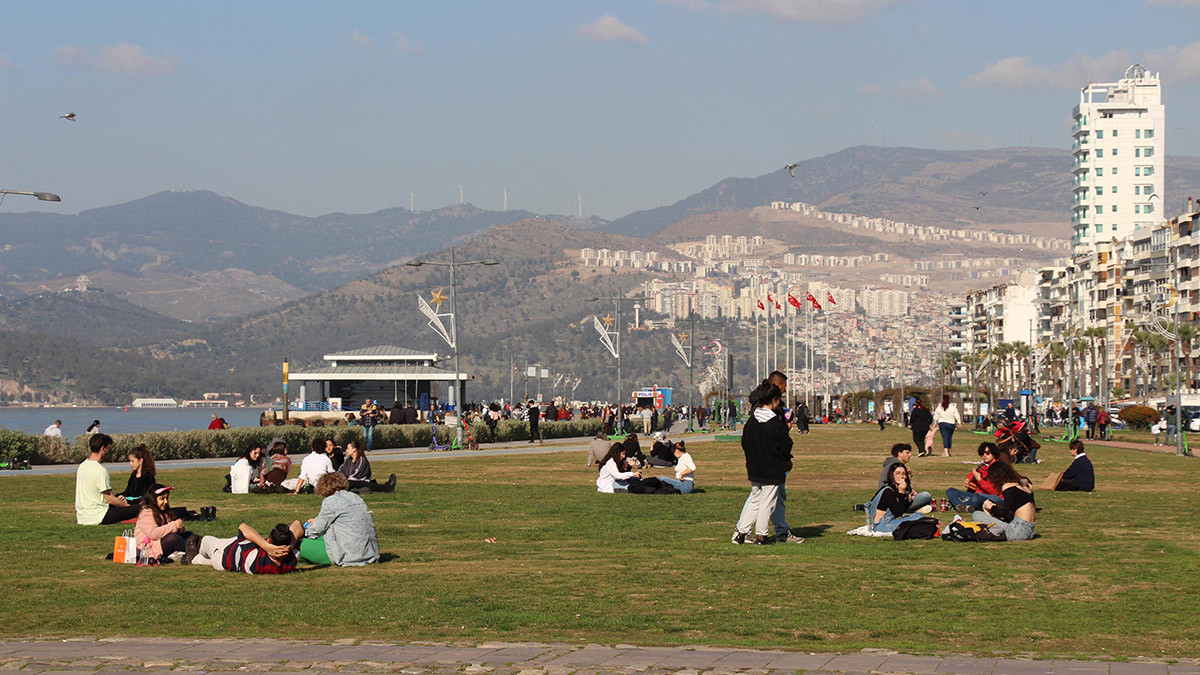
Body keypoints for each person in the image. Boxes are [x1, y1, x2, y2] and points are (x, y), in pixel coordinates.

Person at [733, 381, 794, 546]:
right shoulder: (774, 423)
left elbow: (745, 443)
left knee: (755, 499)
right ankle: (762, 535)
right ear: (774, 399)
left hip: (754, 466)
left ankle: (741, 532)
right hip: (772, 468)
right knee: (768, 502)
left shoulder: (752, 421)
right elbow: (785, 445)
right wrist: (786, 459)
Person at [298, 472, 381, 566]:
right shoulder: (355, 497)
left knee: (297, 543)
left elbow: (317, 530)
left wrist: (301, 533)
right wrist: (317, 520)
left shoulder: (330, 501)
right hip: (369, 553)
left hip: (347, 556)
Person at [185, 521, 303, 574]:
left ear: (269, 540)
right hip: (232, 556)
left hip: (223, 554)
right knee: (202, 561)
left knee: (206, 540)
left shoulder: (255, 560)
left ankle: (193, 555)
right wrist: (290, 546)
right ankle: (193, 559)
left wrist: (266, 546)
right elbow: (298, 524)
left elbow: (243, 528)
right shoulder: (291, 559)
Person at [76, 433, 140, 525]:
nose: (109, 452)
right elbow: (109, 499)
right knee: (140, 508)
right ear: (103, 448)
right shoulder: (100, 470)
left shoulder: (82, 466)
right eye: (108, 448)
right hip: (98, 515)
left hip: (83, 516)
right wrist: (127, 506)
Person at [971, 459, 1036, 541]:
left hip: (1017, 531)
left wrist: (991, 507)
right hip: (1030, 531)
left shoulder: (1007, 487)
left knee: (976, 514)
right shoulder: (1022, 487)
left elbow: (1007, 515)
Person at [134, 484, 194, 562]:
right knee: (173, 538)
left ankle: (201, 545)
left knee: (189, 535)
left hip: (161, 542)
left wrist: (179, 528)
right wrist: (174, 526)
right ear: (153, 499)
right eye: (162, 499)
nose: (165, 502)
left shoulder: (164, 511)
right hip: (149, 548)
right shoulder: (146, 512)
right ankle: (194, 551)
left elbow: (170, 528)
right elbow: (153, 534)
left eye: (167, 498)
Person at [866, 463, 928, 534]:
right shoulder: (888, 491)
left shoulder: (894, 490)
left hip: (889, 522)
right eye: (898, 473)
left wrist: (909, 499)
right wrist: (901, 492)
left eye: (904, 474)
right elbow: (898, 512)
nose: (901, 476)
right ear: (892, 475)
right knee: (918, 517)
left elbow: (900, 507)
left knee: (919, 515)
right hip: (883, 525)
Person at [945, 442, 1004, 512]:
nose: (984, 455)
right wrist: (968, 480)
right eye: (982, 453)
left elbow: (994, 491)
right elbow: (974, 473)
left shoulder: (999, 467)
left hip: (990, 497)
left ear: (994, 453)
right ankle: (962, 506)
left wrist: (979, 480)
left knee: (975, 499)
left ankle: (958, 503)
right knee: (950, 491)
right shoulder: (983, 465)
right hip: (975, 494)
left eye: (988, 453)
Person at [876, 443, 932, 513]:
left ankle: (917, 508)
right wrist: (908, 494)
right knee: (926, 496)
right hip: (895, 499)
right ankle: (910, 509)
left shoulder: (891, 464)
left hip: (894, 496)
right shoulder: (896, 466)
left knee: (918, 494)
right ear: (900, 454)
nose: (910, 455)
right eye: (907, 452)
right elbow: (897, 486)